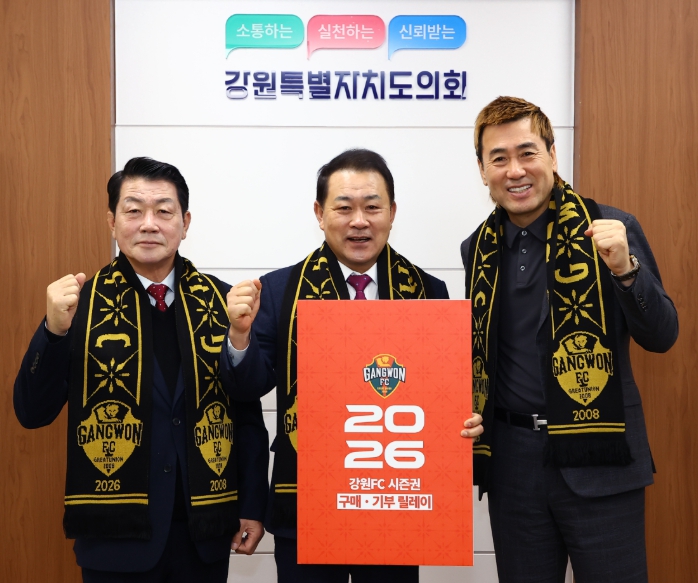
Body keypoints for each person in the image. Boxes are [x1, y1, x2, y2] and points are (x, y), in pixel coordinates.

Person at [222, 148, 483, 583]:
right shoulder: (280, 290)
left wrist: (463, 420)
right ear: (319, 213)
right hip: (306, 503)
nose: (359, 221)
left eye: (372, 207)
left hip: (395, 505)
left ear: (392, 213)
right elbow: (248, 387)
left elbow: (439, 397)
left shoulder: (428, 291)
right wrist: (239, 335)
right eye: (344, 208)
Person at [14, 157, 269, 583]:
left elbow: (246, 412)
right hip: (115, 540)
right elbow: (31, 412)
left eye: (164, 211)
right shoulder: (79, 305)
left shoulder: (221, 302)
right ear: (112, 221)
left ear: (185, 223)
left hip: (203, 533)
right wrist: (53, 333)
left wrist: (252, 506)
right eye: (134, 210)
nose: (149, 224)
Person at [461, 96, 679, 583]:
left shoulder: (610, 229)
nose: (515, 171)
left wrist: (626, 271)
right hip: (513, 466)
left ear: (553, 156)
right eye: (499, 158)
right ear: (482, 170)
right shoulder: (477, 248)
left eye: (528, 153)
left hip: (601, 458)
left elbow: (663, 335)